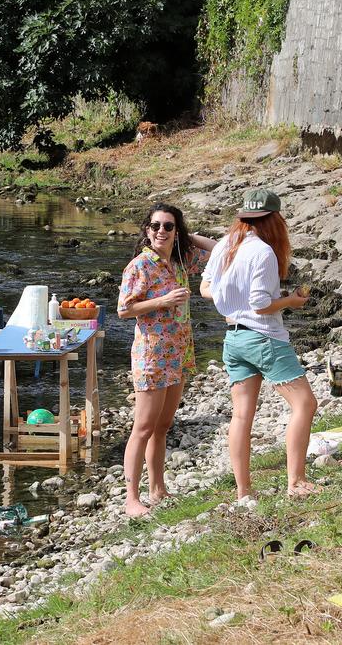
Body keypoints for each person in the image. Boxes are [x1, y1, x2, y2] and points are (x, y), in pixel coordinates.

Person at [200, 187, 318, 501]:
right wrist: (290, 301)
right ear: (274, 219)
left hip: (234, 338)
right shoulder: (263, 252)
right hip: (263, 337)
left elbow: (205, 289)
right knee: (305, 404)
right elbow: (261, 305)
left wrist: (230, 300)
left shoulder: (225, 245)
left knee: (241, 416)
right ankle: (296, 482)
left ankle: (244, 493)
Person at [116, 203, 216, 518]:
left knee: (163, 426)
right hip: (152, 355)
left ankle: (157, 489)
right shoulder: (140, 265)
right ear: (147, 230)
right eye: (156, 226)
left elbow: (219, 251)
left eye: (169, 226)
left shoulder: (180, 260)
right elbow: (123, 309)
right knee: (143, 426)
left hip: (179, 352)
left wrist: (187, 237)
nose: (161, 231)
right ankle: (131, 499)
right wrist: (163, 300)